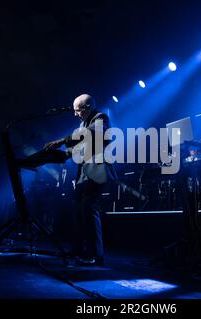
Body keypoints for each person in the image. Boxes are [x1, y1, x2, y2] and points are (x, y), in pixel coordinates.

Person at [45, 94, 116, 266]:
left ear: (88, 107)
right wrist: (58, 154)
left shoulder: (101, 118)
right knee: (77, 211)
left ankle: (95, 255)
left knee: (89, 209)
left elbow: (88, 134)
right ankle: (79, 249)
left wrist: (62, 140)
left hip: (97, 172)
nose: (75, 114)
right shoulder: (82, 124)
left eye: (78, 110)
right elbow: (76, 149)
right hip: (84, 176)